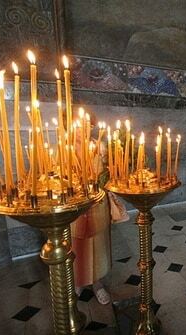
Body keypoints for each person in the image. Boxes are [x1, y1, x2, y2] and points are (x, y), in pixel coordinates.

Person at [72, 114, 129, 305]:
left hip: (97, 203)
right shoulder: (66, 149)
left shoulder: (101, 146)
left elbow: (110, 171)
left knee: (98, 245)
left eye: (86, 125)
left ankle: (97, 283)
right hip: (75, 205)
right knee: (77, 244)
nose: (82, 129)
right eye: (78, 125)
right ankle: (79, 281)